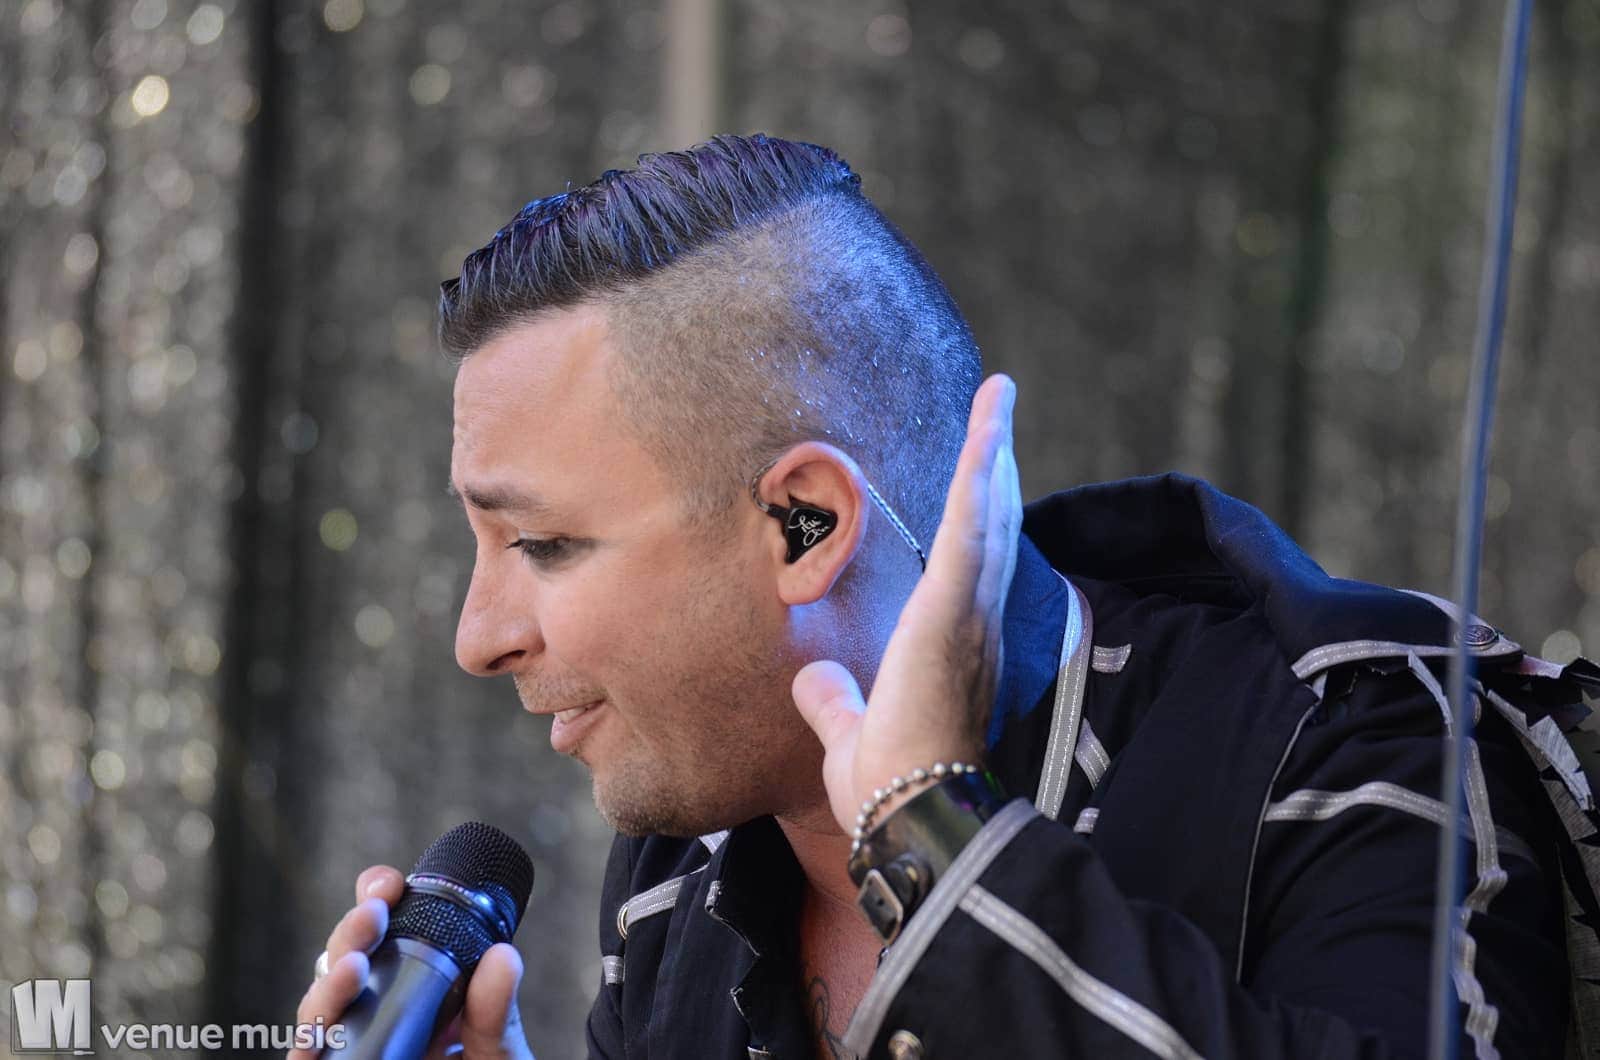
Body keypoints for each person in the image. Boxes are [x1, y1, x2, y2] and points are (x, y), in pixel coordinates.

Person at [291, 135, 1599, 1059]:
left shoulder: (1355, 745)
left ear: (805, 525)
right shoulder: (675, 876)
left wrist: (933, 843)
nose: (478, 638)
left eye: (543, 544)